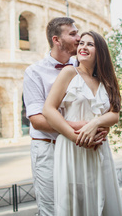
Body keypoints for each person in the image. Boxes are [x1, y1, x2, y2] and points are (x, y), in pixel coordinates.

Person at [23, 18, 106, 215]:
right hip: (48, 149)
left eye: (78, 33)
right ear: (56, 40)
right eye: (73, 34)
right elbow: (37, 120)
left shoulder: (84, 66)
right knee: (53, 210)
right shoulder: (34, 72)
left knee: (81, 207)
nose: (79, 38)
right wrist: (81, 128)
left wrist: (98, 127)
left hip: (79, 150)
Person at [43, 30, 122, 215]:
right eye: (81, 43)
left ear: (100, 51)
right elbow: (48, 109)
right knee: (74, 204)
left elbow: (114, 115)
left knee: (102, 200)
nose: (83, 47)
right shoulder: (69, 72)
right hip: (72, 148)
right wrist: (75, 137)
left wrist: (94, 124)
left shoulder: (107, 80)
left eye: (90, 44)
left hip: (99, 149)